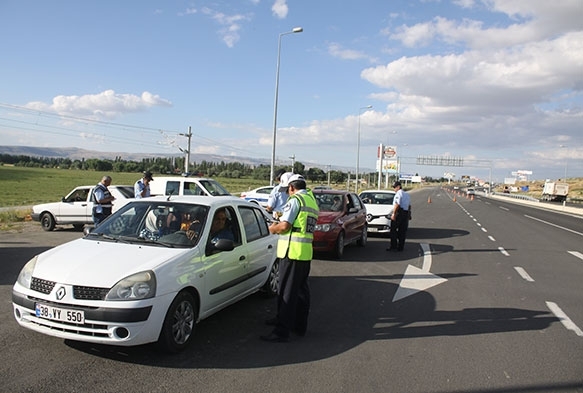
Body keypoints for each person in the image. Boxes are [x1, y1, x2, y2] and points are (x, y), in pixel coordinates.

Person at [262, 174, 319, 343]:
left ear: (292, 188)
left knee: (286, 292)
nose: (287, 193)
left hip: (291, 252)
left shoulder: (295, 200)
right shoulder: (311, 200)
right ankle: (298, 326)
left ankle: (281, 330)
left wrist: (273, 228)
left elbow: (285, 226)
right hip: (304, 252)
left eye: (287, 190)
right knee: (301, 292)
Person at [387, 181, 411, 252]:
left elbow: (397, 204)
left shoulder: (398, 194)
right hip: (405, 213)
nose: (394, 189)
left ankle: (393, 246)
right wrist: (409, 214)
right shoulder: (407, 195)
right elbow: (409, 206)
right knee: (402, 231)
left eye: (394, 187)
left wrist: (394, 214)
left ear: (398, 187)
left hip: (399, 213)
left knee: (393, 230)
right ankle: (401, 247)